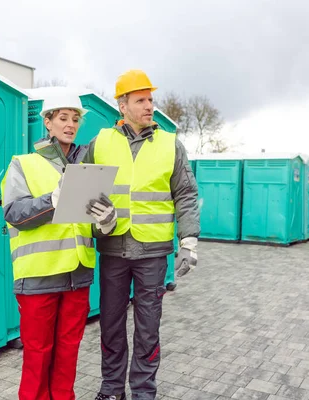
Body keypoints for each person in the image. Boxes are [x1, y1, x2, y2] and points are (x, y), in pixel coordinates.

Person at [82, 70, 201, 400]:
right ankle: (111, 389)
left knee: (148, 328)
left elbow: (186, 194)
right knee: (111, 324)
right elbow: (84, 192)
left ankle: (144, 392)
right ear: (122, 105)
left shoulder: (169, 144)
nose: (149, 106)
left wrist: (188, 240)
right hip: (113, 249)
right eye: (141, 100)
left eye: (151, 99)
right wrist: (97, 222)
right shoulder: (101, 142)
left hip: (152, 253)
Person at [0, 89, 118, 400]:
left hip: (77, 275)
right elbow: (13, 214)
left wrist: (105, 222)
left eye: (75, 119)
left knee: (68, 353)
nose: (70, 124)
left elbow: (86, 223)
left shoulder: (87, 168)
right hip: (39, 276)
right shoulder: (23, 164)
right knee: (38, 355)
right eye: (63, 118)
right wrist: (52, 200)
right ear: (48, 123)